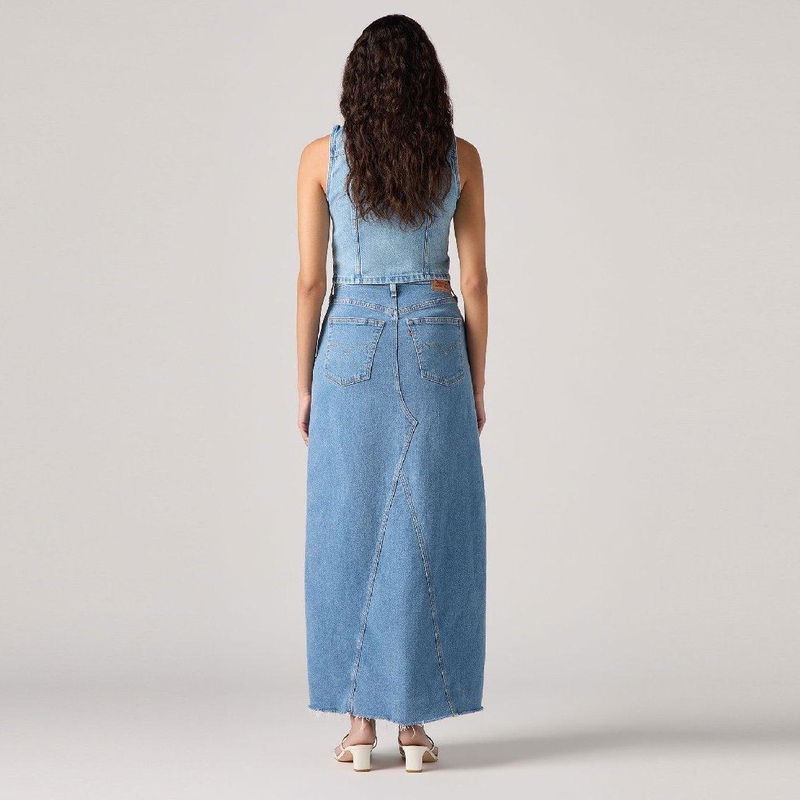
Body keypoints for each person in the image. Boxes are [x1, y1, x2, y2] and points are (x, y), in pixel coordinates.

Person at [295, 14, 488, 773]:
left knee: (346, 524)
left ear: (358, 83)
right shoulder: (460, 157)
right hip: (437, 338)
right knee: (430, 524)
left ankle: (358, 730)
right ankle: (414, 725)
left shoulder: (320, 158)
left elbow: (310, 281)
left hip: (350, 339)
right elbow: (475, 280)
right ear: (430, 82)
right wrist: (476, 382)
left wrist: (303, 382)